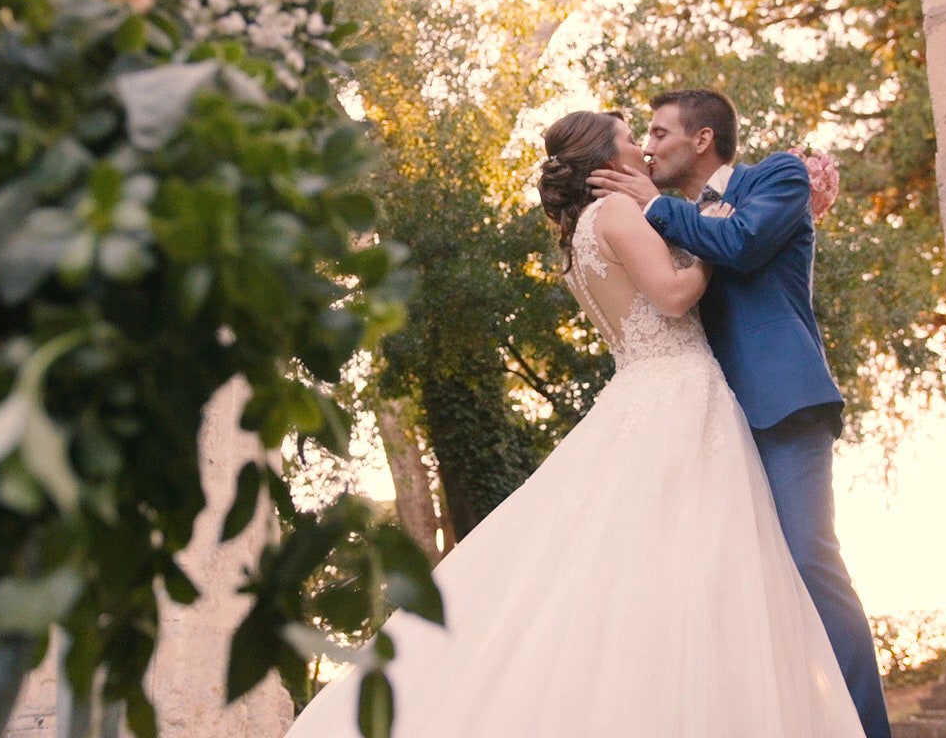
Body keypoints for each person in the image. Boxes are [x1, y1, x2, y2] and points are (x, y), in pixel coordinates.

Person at [283, 110, 865, 737]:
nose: (644, 150)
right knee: (703, 556)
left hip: (639, 391)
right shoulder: (617, 214)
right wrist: (710, 241)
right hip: (679, 388)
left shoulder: (580, 237)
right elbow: (672, 297)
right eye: (630, 140)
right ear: (606, 161)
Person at [588, 89, 891, 738]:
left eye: (660, 132)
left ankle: (869, 729)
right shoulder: (662, 218)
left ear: (701, 140)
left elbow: (744, 243)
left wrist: (657, 206)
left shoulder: (775, 176)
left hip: (782, 405)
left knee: (809, 561)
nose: (648, 145)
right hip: (703, 420)